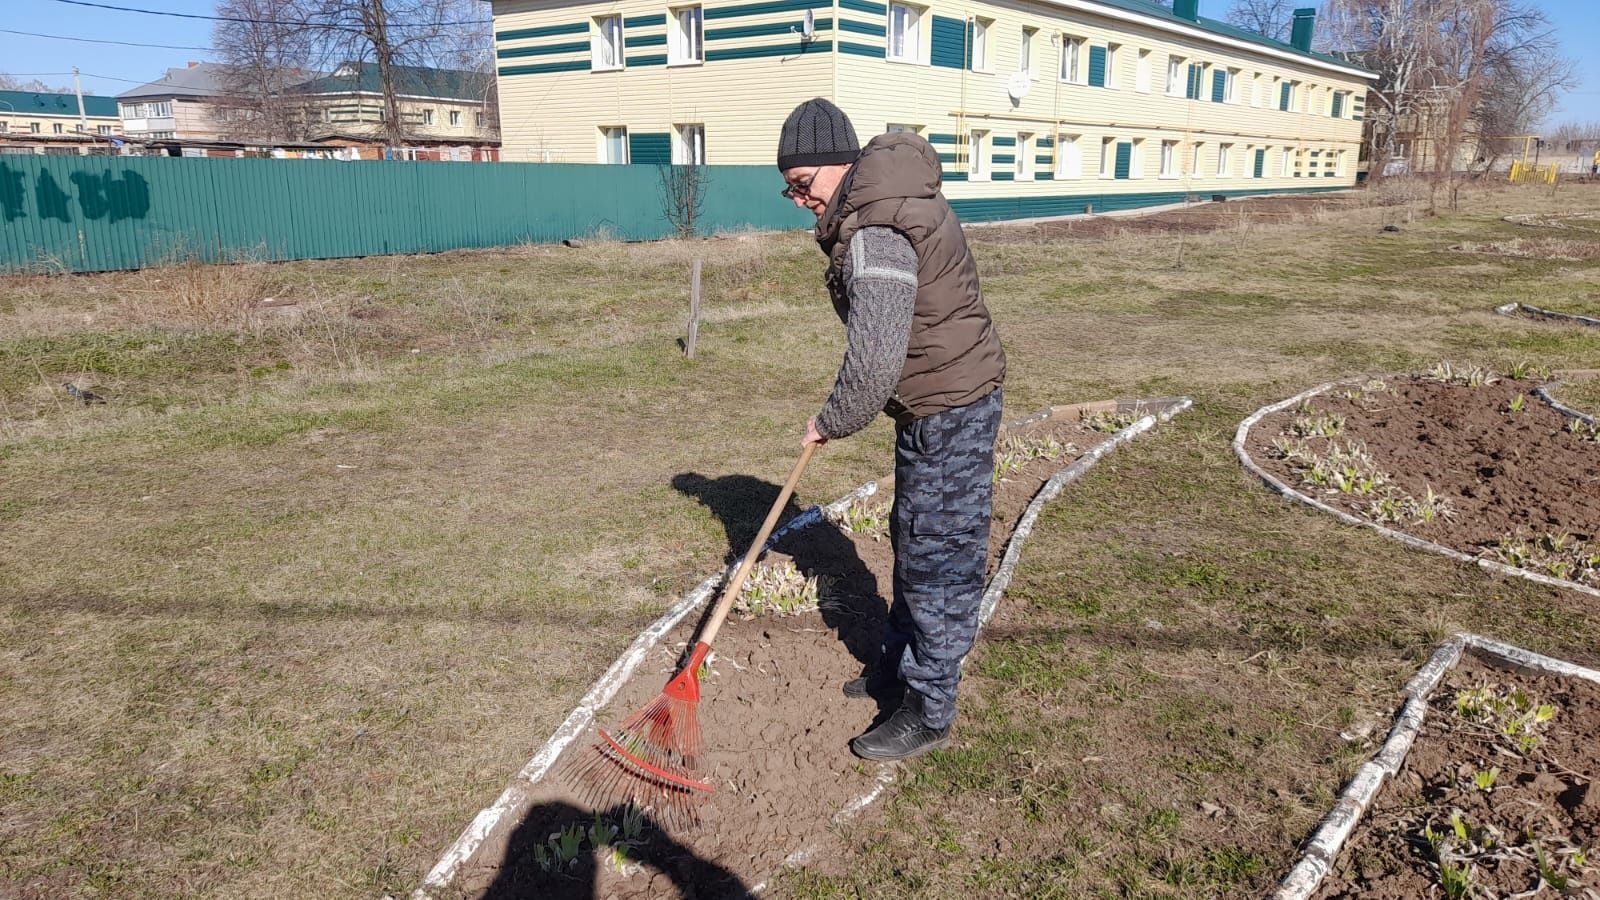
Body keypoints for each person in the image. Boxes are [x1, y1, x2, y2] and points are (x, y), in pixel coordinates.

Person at [777, 98, 1006, 761]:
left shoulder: (878, 229)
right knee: (915, 538)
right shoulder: (877, 208)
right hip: (932, 402)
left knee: (938, 559)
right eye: (789, 188)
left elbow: (874, 362)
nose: (797, 200)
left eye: (803, 184)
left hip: (950, 408)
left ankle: (928, 709)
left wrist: (831, 420)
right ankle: (896, 665)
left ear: (840, 165)